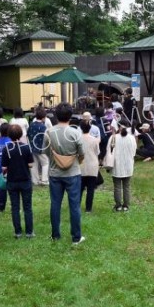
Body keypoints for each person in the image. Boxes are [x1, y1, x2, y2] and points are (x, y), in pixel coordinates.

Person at [42, 102, 85, 245]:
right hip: (73, 173)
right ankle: (76, 237)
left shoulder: (48, 132)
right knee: (74, 205)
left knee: (55, 204)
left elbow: (46, 152)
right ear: (70, 116)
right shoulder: (75, 132)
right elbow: (81, 153)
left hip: (55, 173)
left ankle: (55, 235)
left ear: (55, 115)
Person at [1, 124, 34, 238]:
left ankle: (18, 232)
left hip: (12, 181)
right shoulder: (26, 147)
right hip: (25, 180)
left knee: (15, 207)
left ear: (9, 135)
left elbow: (4, 167)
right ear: (20, 134)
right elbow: (30, 164)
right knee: (27, 207)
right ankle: (29, 232)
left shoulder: (7, 148)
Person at [108, 120, 137, 212]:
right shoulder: (132, 138)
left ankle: (118, 205)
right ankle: (126, 206)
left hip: (116, 165)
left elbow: (109, 151)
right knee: (126, 186)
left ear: (118, 127)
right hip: (128, 164)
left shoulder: (113, 137)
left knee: (117, 186)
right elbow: (134, 151)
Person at [79, 120, 100, 213]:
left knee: (79, 188)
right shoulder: (94, 140)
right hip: (92, 165)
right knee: (91, 189)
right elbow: (97, 152)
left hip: (80, 165)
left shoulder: (78, 139)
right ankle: (88, 208)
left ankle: (76, 206)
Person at [27, 108, 49, 186]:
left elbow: (28, 135)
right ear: (43, 117)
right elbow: (46, 138)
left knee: (34, 164)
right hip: (41, 148)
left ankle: (35, 180)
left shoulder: (31, 125)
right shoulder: (44, 127)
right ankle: (44, 180)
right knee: (45, 163)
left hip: (32, 147)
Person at [0, 123, 11, 212]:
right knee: (12, 187)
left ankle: (0, 206)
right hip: (10, 167)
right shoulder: (11, 142)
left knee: (1, 187)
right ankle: (14, 205)